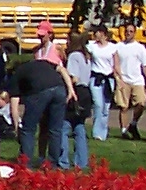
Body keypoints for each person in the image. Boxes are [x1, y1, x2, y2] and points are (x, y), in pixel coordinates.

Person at [12, 48, 72, 170]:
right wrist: (71, 89)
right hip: (60, 89)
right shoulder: (45, 63)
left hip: (39, 91)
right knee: (55, 129)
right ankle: (53, 164)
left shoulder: (19, 72)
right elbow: (62, 70)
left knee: (28, 129)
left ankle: (26, 164)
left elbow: (14, 102)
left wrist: (17, 125)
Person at [113, 24, 146, 140]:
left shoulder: (140, 48)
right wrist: (118, 78)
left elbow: (145, 65)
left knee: (141, 103)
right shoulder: (118, 46)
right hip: (123, 79)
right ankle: (124, 130)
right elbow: (114, 64)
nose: (128, 33)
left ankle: (133, 123)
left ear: (134, 33)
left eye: (131, 31)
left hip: (137, 80)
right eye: (127, 31)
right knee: (123, 107)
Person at [64, 32, 94, 170]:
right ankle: (81, 162)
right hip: (86, 91)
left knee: (64, 126)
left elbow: (74, 77)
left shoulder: (74, 56)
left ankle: (63, 160)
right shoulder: (85, 56)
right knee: (79, 127)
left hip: (76, 92)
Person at [86, 25, 117, 141]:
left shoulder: (113, 47)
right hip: (96, 78)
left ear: (103, 33)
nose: (95, 35)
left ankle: (103, 133)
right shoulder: (91, 47)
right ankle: (96, 132)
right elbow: (87, 61)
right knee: (98, 104)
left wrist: (119, 79)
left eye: (97, 32)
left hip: (109, 79)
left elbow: (116, 65)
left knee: (105, 107)